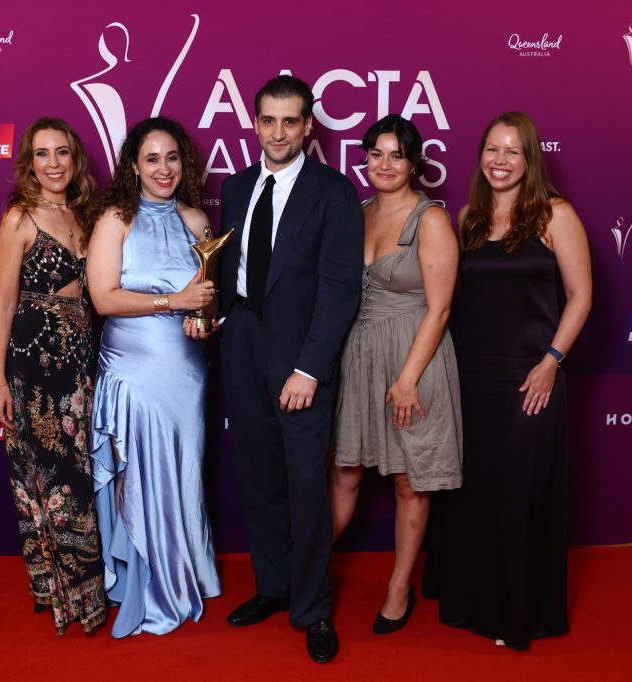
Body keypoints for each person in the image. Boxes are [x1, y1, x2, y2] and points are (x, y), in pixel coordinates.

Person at [423, 112, 593, 650]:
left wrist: (551, 361)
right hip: (471, 374)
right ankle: (473, 604)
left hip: (529, 376)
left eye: (512, 151)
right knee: (475, 490)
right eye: (492, 150)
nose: (500, 161)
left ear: (530, 158)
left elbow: (582, 296)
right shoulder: (469, 217)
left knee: (519, 491)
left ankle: (515, 613)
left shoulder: (555, 213)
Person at [217, 75, 363, 663]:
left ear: (307, 126)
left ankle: (313, 608)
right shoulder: (236, 186)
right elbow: (229, 270)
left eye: (290, 121)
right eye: (268, 121)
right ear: (255, 123)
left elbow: (339, 290)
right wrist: (216, 321)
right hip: (242, 348)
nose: (278, 133)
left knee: (305, 486)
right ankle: (273, 587)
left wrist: (309, 368)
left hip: (300, 358)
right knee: (258, 478)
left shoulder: (334, 191)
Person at [86, 117, 222, 637]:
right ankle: (145, 583)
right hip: (133, 367)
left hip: (186, 370)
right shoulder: (115, 219)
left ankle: (185, 572)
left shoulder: (196, 220)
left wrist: (203, 316)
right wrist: (174, 301)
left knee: (183, 470)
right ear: (133, 166)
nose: (164, 169)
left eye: (172, 158)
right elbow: (104, 299)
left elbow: (206, 298)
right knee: (142, 473)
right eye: (151, 159)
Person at [330, 115, 462, 635]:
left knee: (410, 481)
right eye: (376, 154)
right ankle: (307, 567)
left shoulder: (431, 219)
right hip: (359, 356)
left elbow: (440, 308)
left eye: (397, 156)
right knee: (345, 472)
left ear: (413, 164)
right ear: (365, 158)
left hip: (414, 358)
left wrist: (407, 379)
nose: (385, 165)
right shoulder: (358, 212)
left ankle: (399, 588)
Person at [0, 117, 106, 635]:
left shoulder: (85, 214)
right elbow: (3, 302)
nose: (53, 163)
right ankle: (69, 593)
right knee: (54, 481)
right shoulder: (20, 217)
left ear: (75, 159)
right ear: (29, 162)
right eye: (42, 153)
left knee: (80, 472)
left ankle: (78, 586)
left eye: (62, 152)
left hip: (80, 363)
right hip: (34, 368)